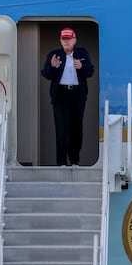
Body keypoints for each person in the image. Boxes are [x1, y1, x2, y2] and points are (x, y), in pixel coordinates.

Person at [41, 27, 94, 167]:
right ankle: (61, 162)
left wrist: (82, 66)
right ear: (60, 40)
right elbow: (46, 74)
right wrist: (53, 67)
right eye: (64, 39)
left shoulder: (82, 53)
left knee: (76, 129)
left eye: (69, 39)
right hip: (61, 95)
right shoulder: (54, 54)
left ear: (74, 40)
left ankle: (75, 160)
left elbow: (90, 72)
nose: (66, 42)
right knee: (62, 129)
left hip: (77, 94)